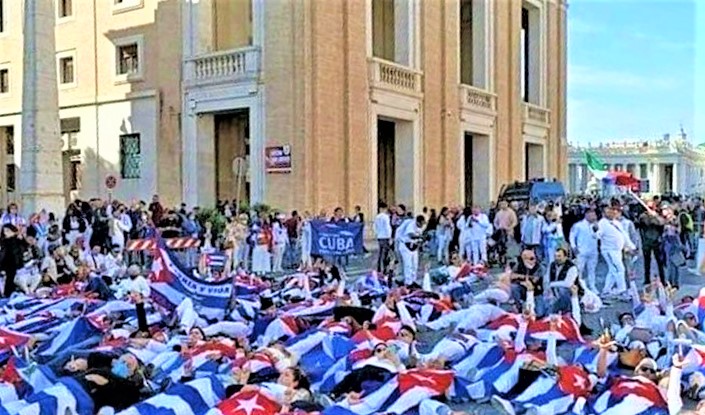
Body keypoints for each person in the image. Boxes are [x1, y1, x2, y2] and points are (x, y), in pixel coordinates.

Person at [598, 205, 636, 299]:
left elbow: (624, 235)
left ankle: (606, 290)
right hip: (609, 250)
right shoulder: (602, 223)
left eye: (611, 211)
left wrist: (631, 247)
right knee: (620, 269)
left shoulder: (617, 223)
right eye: (608, 212)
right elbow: (597, 235)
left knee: (613, 270)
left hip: (618, 250)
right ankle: (622, 290)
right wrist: (595, 231)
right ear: (604, 214)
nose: (611, 213)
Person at [570, 209, 600, 293]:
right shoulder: (578, 225)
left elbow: (598, 237)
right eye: (591, 215)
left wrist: (596, 229)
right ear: (586, 215)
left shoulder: (595, 226)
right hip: (581, 251)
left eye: (594, 215)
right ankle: (578, 287)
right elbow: (572, 236)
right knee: (579, 270)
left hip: (593, 251)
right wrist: (574, 247)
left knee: (592, 270)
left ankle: (592, 286)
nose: (593, 217)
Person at [397, 215, 426, 286]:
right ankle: (408, 282)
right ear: (418, 222)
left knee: (415, 265)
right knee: (408, 265)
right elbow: (411, 235)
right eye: (421, 224)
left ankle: (413, 280)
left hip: (413, 247)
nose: (422, 225)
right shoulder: (411, 224)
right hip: (405, 246)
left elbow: (419, 239)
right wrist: (421, 237)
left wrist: (421, 241)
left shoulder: (419, 228)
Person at [0, 224, 27, 297]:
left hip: (17, 263)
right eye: (4, 231)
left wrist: (22, 239)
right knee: (9, 280)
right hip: (7, 264)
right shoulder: (3, 241)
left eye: (8, 231)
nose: (6, 233)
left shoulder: (18, 239)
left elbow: (25, 248)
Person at [374, 203, 392, 273]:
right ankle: (384, 268)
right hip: (385, 236)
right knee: (385, 254)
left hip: (380, 236)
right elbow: (387, 227)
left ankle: (379, 268)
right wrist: (389, 236)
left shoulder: (377, 217)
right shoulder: (386, 217)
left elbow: (375, 227)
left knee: (380, 253)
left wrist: (377, 234)